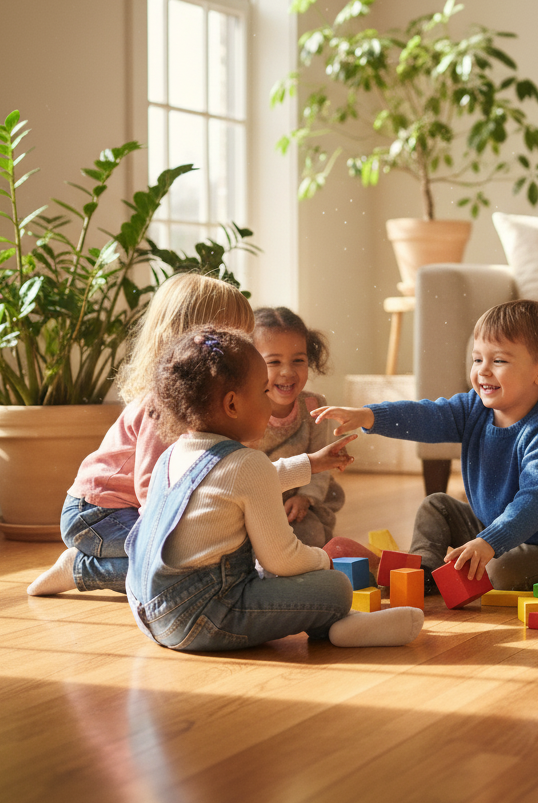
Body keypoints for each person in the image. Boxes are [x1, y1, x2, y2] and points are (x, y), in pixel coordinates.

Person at [125, 327, 423, 650]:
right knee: (335, 586)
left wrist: (311, 464)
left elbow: (251, 480)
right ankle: (341, 624)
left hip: (149, 612)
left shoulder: (173, 455)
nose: (270, 402)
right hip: (203, 616)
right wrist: (324, 560)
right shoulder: (245, 465)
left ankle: (338, 627)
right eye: (264, 391)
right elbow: (281, 558)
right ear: (232, 404)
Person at [315, 300, 538, 593]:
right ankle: (424, 570)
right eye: (477, 359)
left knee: (500, 574)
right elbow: (425, 416)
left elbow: (534, 502)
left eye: (498, 361)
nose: (483, 371)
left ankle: (467, 569)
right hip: (488, 529)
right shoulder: (472, 408)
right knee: (436, 505)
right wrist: (369, 416)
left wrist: (489, 543)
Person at [27, 274, 258, 596]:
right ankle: (81, 569)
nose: (244, 351)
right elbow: (151, 484)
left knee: (198, 555)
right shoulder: (165, 406)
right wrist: (171, 535)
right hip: (96, 514)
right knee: (179, 566)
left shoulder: (202, 405)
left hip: (121, 510)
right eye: (230, 341)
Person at [248, 307, 345, 548]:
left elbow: (322, 464)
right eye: (274, 362)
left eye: (298, 361)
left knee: (310, 536)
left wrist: (305, 497)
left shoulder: (313, 405)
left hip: (297, 503)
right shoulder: (241, 409)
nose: (288, 372)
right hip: (252, 505)